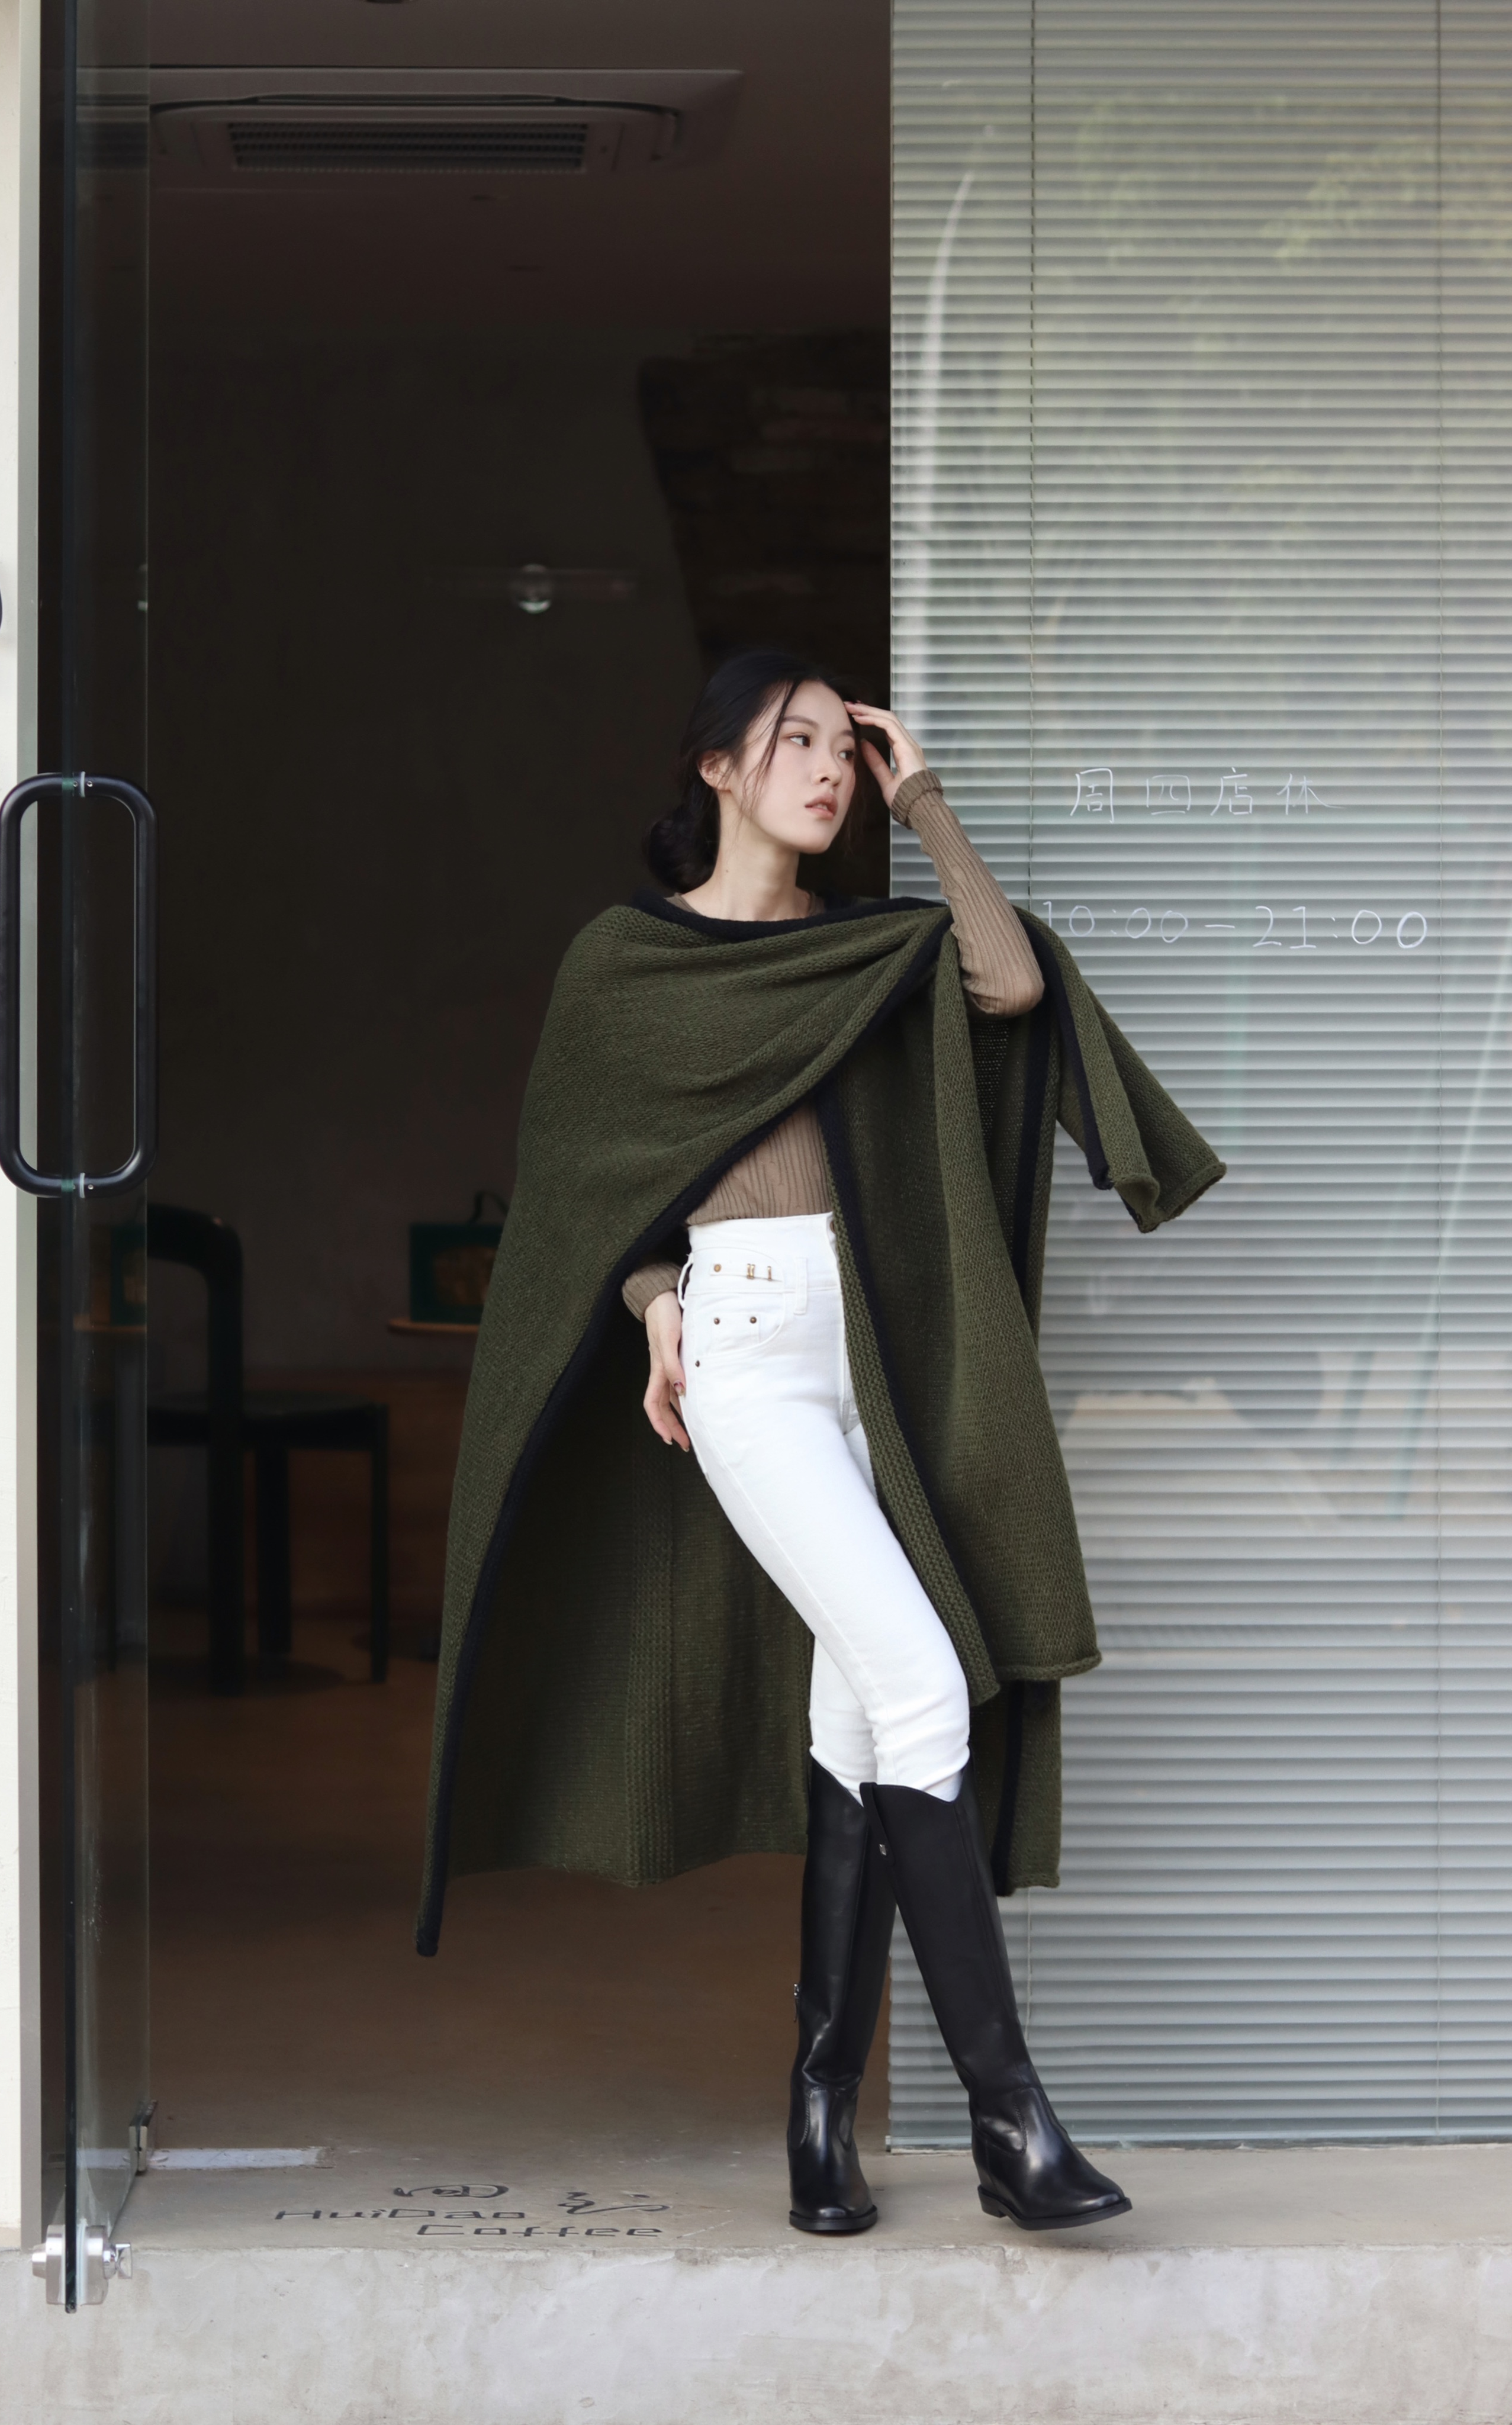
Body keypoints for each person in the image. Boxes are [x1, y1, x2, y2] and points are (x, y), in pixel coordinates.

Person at [417, 649, 1224, 2240]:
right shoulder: (626, 963)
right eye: (795, 742)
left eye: (843, 750)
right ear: (714, 768)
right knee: (924, 1684)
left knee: (860, 1722)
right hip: (747, 1359)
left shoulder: (872, 951)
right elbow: (587, 1188)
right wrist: (652, 1296)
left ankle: (815, 2110)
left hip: (881, 1357)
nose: (829, 770)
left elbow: (1012, 987)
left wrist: (927, 805)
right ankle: (1013, 2123)